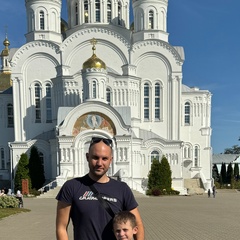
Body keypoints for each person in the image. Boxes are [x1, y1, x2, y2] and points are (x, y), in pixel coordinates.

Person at [56, 137, 144, 240]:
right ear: (87, 157)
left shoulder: (122, 189)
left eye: (104, 158)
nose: (99, 163)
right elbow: (61, 227)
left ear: (111, 160)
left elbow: (138, 224)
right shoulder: (71, 187)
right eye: (95, 157)